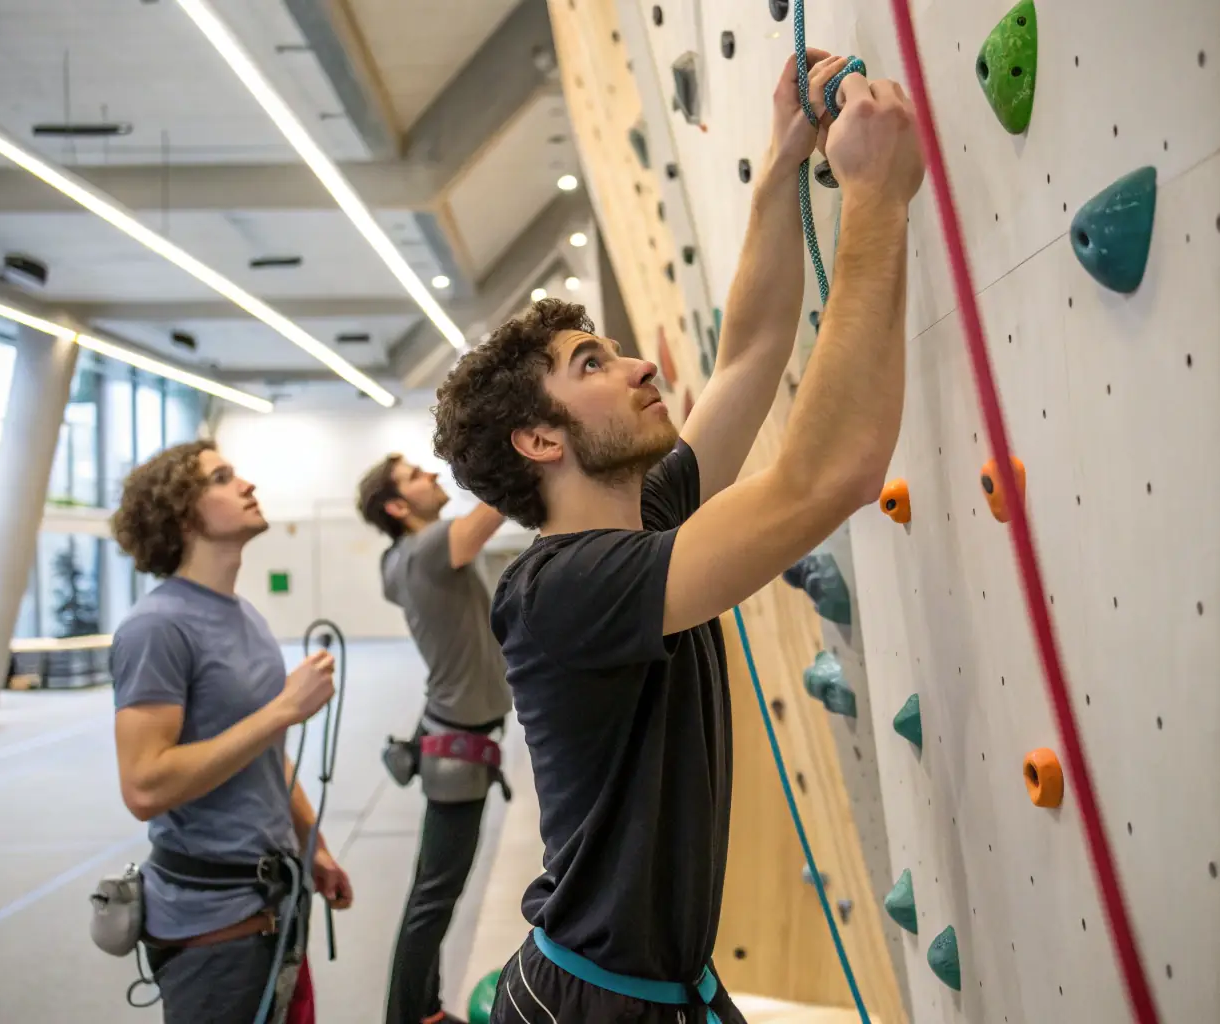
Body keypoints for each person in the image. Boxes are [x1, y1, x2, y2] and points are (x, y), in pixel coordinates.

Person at [429, 50, 924, 1024]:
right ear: (541, 439)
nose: (637, 366)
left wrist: (784, 166)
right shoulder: (562, 587)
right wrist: (876, 200)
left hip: (661, 989)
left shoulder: (644, 518)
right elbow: (831, 475)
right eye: (593, 363)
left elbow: (748, 351)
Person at [109, 439, 355, 1024]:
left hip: (276, 903)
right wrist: (282, 710)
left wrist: (309, 842)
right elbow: (144, 787)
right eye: (222, 478)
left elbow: (267, 753)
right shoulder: (156, 628)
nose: (247, 485)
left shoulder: (244, 615)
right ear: (182, 512)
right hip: (212, 926)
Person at [355, 454, 513, 1024]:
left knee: (434, 890)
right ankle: (408, 1015)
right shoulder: (427, 547)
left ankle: (423, 1009)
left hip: (448, 728)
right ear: (398, 507)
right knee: (435, 895)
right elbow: (497, 506)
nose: (431, 476)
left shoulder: (397, 560)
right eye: (416, 477)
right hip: (459, 741)